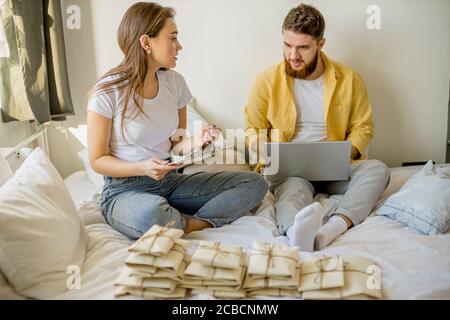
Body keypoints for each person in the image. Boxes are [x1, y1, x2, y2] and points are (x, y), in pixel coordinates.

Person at [87, 2, 267, 239]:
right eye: (172, 38)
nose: (179, 46)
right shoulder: (108, 91)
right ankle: (174, 219)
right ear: (146, 42)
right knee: (150, 214)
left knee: (255, 183)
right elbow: (98, 160)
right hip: (124, 189)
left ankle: (191, 224)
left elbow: (175, 146)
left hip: (170, 182)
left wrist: (197, 140)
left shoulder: (175, 84)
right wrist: (142, 167)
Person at [244, 4, 390, 251]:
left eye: (302, 47)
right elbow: (252, 129)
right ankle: (295, 233)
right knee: (292, 193)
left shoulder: (350, 79)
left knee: (378, 169)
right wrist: (268, 151)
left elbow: (363, 127)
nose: (293, 55)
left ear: (320, 44)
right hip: (292, 171)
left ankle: (334, 227)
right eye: (287, 45)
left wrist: (346, 154)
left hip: (337, 169)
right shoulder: (266, 81)